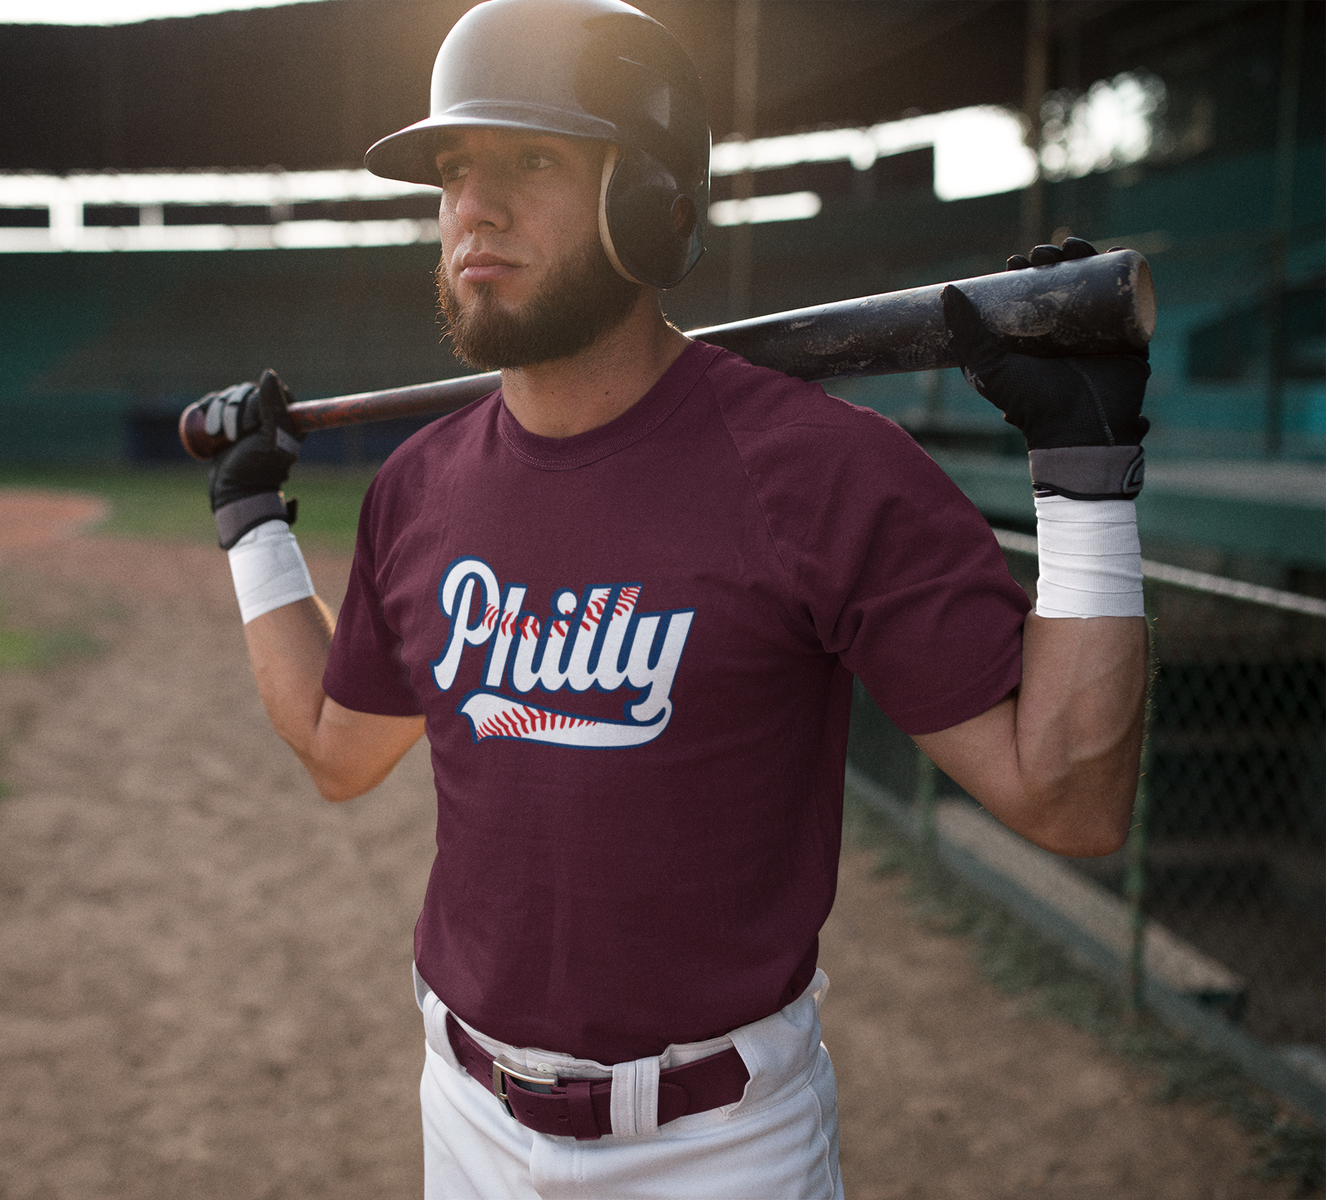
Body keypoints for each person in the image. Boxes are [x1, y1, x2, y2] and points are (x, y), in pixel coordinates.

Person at [195, 1, 1149, 1195]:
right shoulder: (418, 489)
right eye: (453, 171)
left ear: (651, 202)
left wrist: (1086, 480)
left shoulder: (823, 473)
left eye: (531, 161)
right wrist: (249, 525)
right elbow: (340, 753)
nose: (470, 210)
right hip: (465, 1123)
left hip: (719, 1148)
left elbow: (1070, 801)